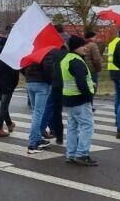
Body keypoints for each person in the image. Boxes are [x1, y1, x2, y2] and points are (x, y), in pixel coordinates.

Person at [61, 36, 97, 166]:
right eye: (83, 46)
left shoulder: (66, 59)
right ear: (76, 47)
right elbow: (81, 82)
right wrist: (88, 95)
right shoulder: (77, 61)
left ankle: (71, 154)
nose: (86, 48)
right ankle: (82, 154)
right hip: (80, 98)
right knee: (87, 126)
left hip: (69, 98)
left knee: (72, 127)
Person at [23, 48, 56, 154]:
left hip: (30, 82)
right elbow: (49, 68)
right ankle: (32, 144)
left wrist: (28, 76)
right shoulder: (46, 51)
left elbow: (22, 65)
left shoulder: (30, 50)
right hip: (42, 84)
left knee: (35, 112)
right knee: (38, 113)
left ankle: (37, 139)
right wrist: (51, 82)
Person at [0, 41, 19, 138]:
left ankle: (9, 124)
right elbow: (15, 73)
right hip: (8, 84)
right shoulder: (11, 56)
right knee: (3, 106)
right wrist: (13, 85)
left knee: (4, 105)